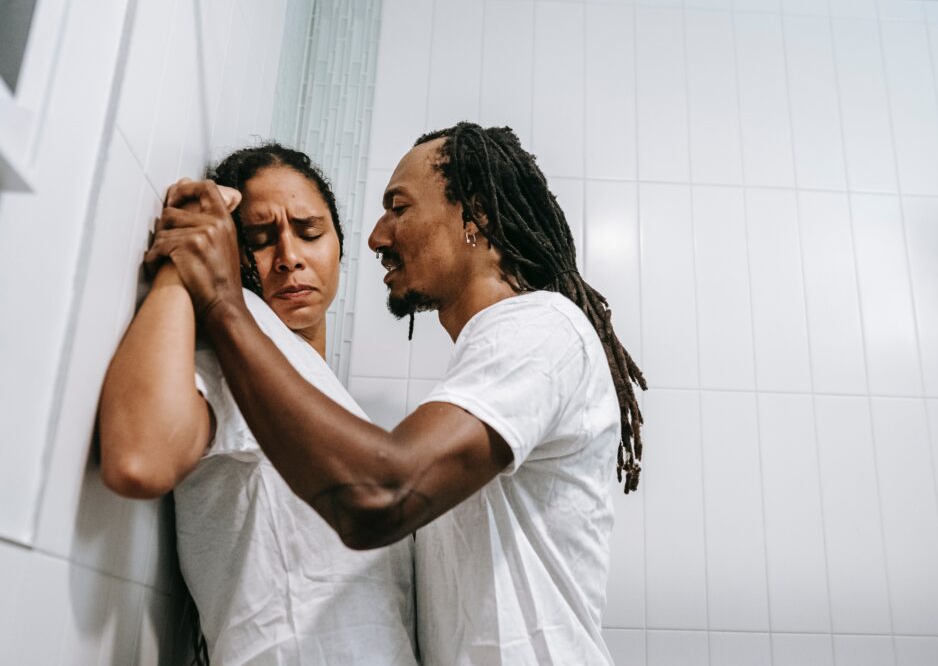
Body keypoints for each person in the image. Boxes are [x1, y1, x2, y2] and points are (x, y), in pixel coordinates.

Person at [146, 123, 647, 664]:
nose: (377, 237)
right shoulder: (490, 363)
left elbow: (380, 494)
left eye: (398, 207)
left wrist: (223, 301)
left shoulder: (540, 327)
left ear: (474, 214)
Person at [98, 144, 417, 666]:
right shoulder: (241, 336)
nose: (289, 256)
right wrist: (188, 266)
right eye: (259, 240)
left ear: (339, 244)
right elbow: (140, 459)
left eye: (310, 231)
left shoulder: (326, 394)